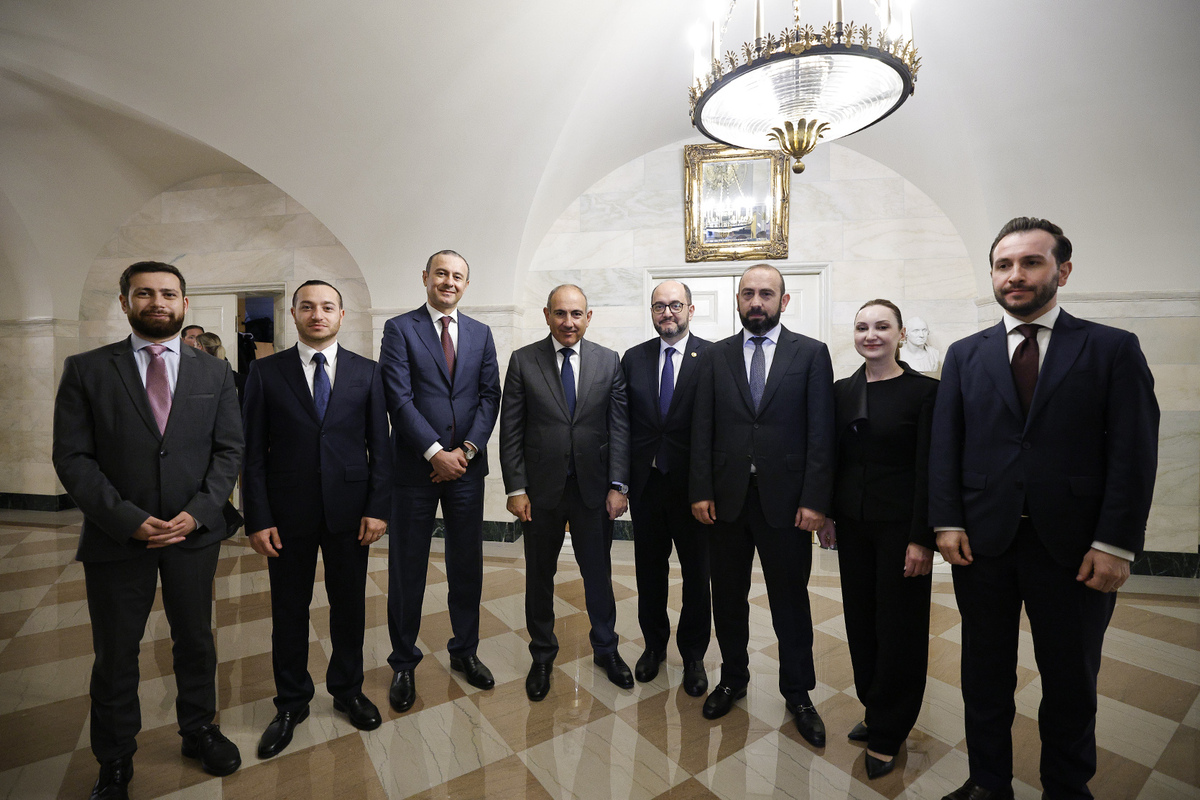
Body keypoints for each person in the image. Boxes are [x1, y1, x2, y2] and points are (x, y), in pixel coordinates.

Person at [930, 217, 1159, 800]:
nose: (1015, 275)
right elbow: (945, 445)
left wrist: (1115, 543)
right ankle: (988, 783)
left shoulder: (1111, 348)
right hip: (984, 545)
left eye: (1031, 262)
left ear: (1063, 270)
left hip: (1077, 549)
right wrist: (947, 521)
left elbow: (1133, 452)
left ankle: (1066, 786)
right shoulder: (965, 354)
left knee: (1071, 679)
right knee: (984, 675)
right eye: (1003, 265)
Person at [52, 261, 243, 800]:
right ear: (125, 302)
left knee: (195, 639)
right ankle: (114, 759)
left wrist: (201, 511)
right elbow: (72, 457)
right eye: (144, 293)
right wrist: (127, 519)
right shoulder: (87, 369)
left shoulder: (214, 373)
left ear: (184, 303)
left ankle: (199, 729)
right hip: (117, 537)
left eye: (168, 293)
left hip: (192, 534)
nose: (158, 302)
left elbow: (230, 450)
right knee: (116, 652)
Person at [241, 280, 392, 758]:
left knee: (349, 606)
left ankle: (348, 690)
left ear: (341, 315)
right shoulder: (265, 372)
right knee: (289, 609)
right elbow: (252, 453)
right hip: (287, 513)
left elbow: (380, 448)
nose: (318, 314)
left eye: (327, 307)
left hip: (351, 512)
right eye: (307, 306)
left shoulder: (367, 372)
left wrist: (378, 507)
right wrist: (256, 516)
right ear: (293, 313)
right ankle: (291, 702)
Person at [689, 264, 835, 748]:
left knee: (790, 601)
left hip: (788, 504)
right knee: (727, 596)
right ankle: (733, 678)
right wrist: (701, 490)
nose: (757, 301)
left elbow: (821, 434)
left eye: (766, 294)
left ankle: (798, 692)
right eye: (748, 293)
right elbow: (702, 428)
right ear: (737, 299)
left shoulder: (810, 354)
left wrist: (815, 500)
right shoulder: (714, 357)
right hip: (726, 501)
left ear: (783, 301)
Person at [379, 250, 501, 713]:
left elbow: (490, 396)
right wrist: (434, 452)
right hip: (415, 469)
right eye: (442, 274)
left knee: (466, 564)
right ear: (426, 277)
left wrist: (464, 452)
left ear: (466, 284)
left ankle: (465, 650)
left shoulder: (480, 333)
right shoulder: (399, 329)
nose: (449, 282)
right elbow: (398, 397)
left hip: (466, 470)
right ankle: (403, 662)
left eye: (458, 276)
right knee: (407, 568)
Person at [499, 284, 633, 700]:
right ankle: (542, 654)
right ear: (547, 315)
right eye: (560, 313)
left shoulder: (608, 360)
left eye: (576, 314)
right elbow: (511, 430)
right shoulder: (523, 361)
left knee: (598, 574)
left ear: (588, 317)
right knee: (540, 575)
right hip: (540, 493)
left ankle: (606, 649)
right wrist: (516, 488)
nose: (568, 322)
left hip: (594, 490)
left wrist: (618, 485)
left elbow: (619, 428)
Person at [831, 299, 938, 779]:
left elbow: (930, 469)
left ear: (900, 335)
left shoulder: (925, 392)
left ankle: (891, 728)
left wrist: (922, 539)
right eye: (862, 327)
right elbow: (833, 457)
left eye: (881, 326)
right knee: (861, 622)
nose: (870, 335)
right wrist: (828, 514)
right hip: (853, 526)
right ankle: (874, 707)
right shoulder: (842, 391)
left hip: (902, 530)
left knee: (900, 628)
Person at [620, 280, 711, 695]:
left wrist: (708, 488)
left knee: (697, 575)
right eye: (659, 306)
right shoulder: (634, 358)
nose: (667, 313)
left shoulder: (712, 357)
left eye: (675, 305)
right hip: (647, 487)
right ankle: (654, 646)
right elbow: (622, 425)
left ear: (690, 310)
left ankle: (693, 655)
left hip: (694, 491)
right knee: (649, 572)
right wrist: (621, 483)